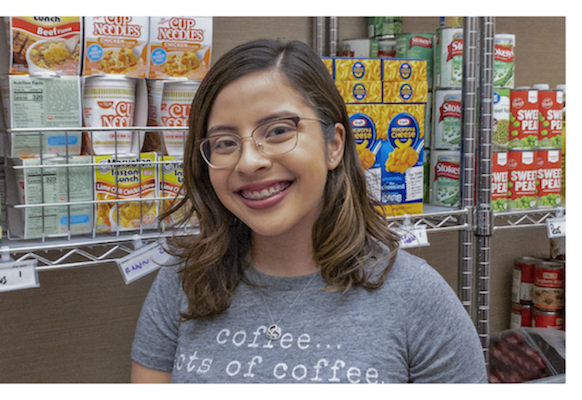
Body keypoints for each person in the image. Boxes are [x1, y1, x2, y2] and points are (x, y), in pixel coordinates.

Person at [129, 39, 485, 383]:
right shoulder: (183, 282)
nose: (250, 161)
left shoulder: (416, 296)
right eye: (225, 143)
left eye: (279, 131)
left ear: (334, 145)